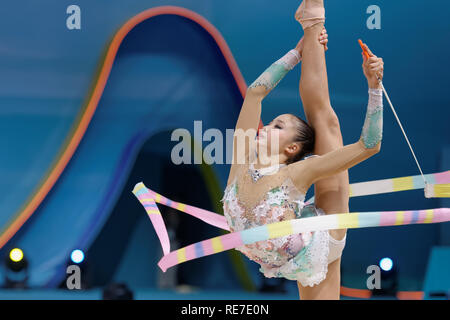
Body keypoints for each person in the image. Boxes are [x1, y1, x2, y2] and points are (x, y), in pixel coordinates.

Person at [221, 0, 384, 300]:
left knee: (325, 121)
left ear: (293, 148)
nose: (265, 127)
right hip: (293, 256)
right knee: (323, 119)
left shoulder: (298, 171)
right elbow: (255, 92)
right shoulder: (242, 160)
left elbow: (369, 146)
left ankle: (313, 22)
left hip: (317, 243)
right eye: (270, 123)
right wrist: (298, 53)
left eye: (277, 126)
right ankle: (311, 27)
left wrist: (375, 87)